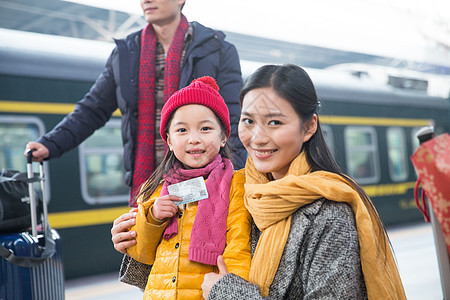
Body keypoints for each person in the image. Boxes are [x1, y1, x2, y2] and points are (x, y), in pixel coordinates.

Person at [201, 64, 406, 299]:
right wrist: (155, 219)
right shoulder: (237, 193)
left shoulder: (330, 215)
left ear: (308, 127)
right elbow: (155, 274)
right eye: (248, 121)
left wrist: (225, 293)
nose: (257, 138)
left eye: (274, 122)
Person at [24, 0, 246, 206]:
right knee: (146, 242)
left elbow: (233, 122)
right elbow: (93, 109)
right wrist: (51, 143)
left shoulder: (217, 50)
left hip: (205, 183)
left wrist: (232, 182)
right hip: (147, 184)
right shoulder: (126, 53)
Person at [123, 76, 251, 299]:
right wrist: (152, 219)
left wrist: (230, 290)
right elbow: (140, 254)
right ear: (169, 142)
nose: (194, 139)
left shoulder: (235, 185)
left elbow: (239, 248)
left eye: (205, 128)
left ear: (223, 137)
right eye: (182, 130)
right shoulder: (153, 189)